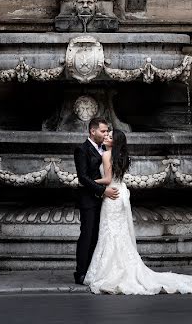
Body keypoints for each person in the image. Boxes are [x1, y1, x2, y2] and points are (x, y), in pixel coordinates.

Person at [83, 128, 192, 294]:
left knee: (110, 232)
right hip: (120, 194)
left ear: (115, 141)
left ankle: (109, 270)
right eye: (106, 135)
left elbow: (108, 180)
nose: (106, 137)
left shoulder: (106, 155)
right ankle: (121, 266)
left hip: (111, 195)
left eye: (109, 136)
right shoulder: (122, 157)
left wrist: (89, 181)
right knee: (119, 233)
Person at [73, 118, 119, 285]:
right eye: (103, 131)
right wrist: (103, 190)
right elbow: (83, 177)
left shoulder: (106, 149)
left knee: (98, 236)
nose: (106, 134)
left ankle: (95, 270)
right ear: (93, 131)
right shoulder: (82, 149)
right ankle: (81, 273)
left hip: (105, 202)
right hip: (88, 200)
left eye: (107, 131)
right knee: (87, 235)